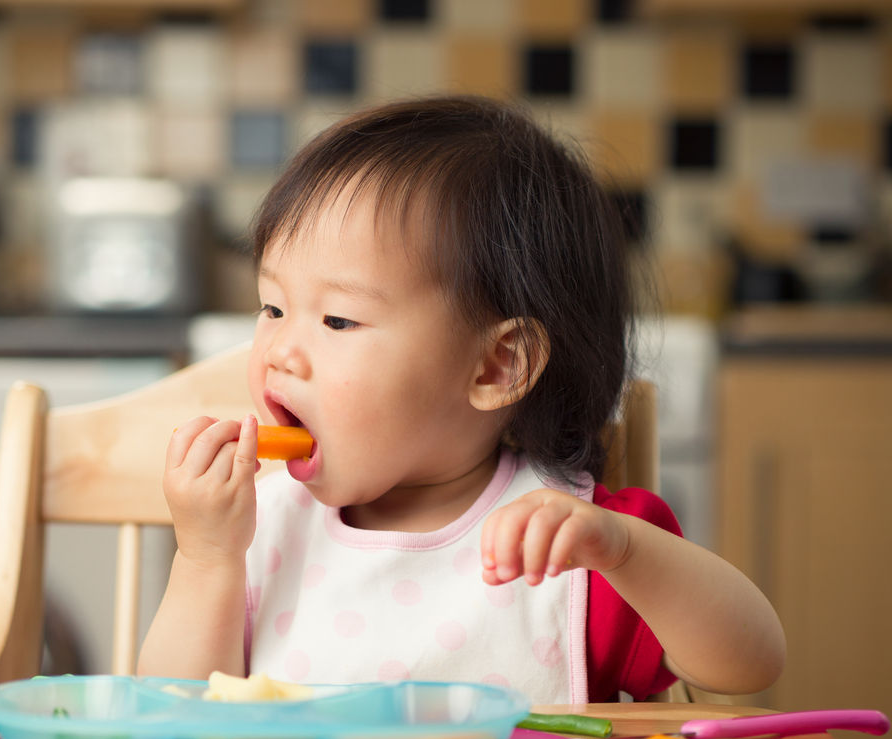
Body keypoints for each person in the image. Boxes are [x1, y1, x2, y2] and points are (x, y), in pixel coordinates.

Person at [137, 96, 785, 703]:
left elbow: (750, 664)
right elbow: (171, 714)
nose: (280, 351)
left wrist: (625, 552)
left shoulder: (569, 545)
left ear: (498, 365)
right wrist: (205, 559)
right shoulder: (257, 531)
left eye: (338, 320)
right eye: (273, 308)